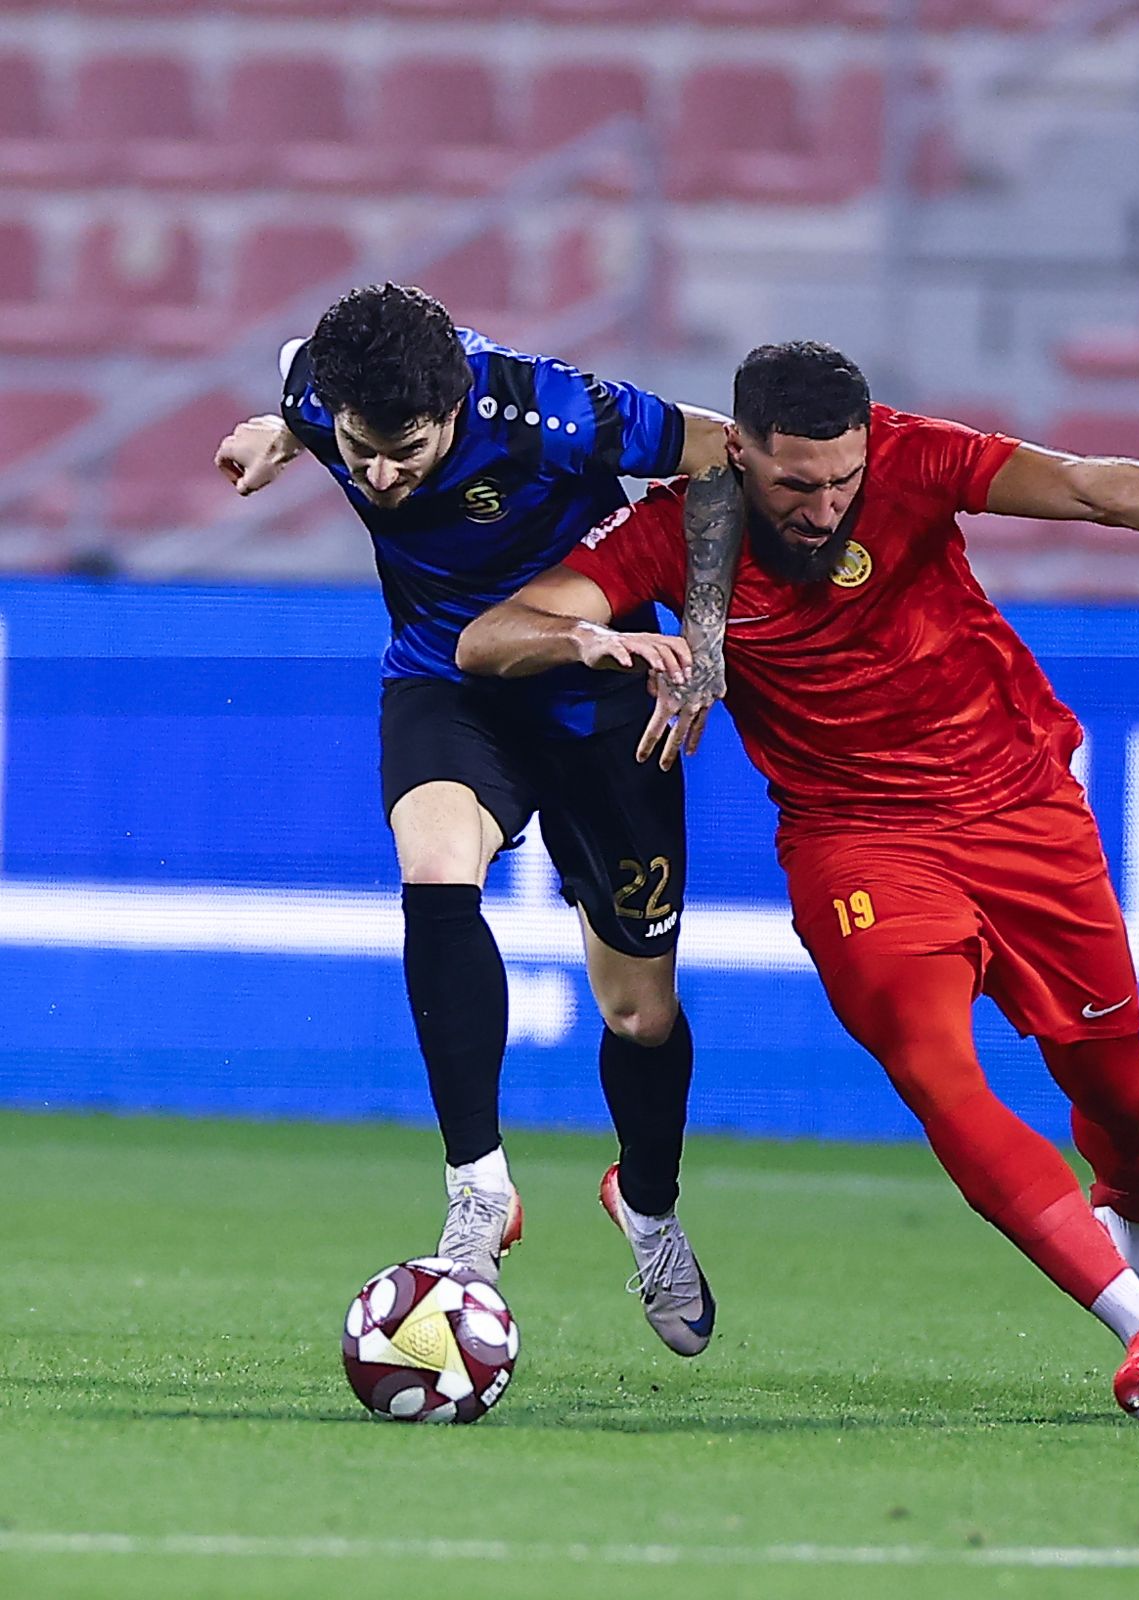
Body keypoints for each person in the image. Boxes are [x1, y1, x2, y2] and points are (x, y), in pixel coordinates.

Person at [455, 339, 1139, 1423]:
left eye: (842, 481)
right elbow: (489, 637)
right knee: (937, 1072)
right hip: (856, 845)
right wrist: (598, 642)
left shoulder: (916, 459)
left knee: (1116, 1089)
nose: (823, 508)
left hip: (1020, 806)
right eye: (795, 484)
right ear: (739, 452)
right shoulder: (677, 529)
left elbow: (1084, 485)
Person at [213, 284, 743, 1358]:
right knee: (436, 870)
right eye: (358, 451)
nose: (379, 477)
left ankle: (647, 1205)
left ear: (453, 407)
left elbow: (724, 457)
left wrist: (704, 633)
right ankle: (479, 1188)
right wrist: (285, 434)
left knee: (639, 1012)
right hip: (447, 687)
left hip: (601, 694)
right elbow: (308, 394)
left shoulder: (561, 412)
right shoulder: (321, 387)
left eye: (403, 452)